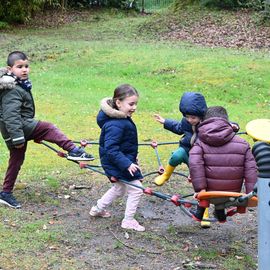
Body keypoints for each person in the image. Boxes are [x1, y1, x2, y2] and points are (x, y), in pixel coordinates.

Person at [0, 51, 94, 209]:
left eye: (26, 66)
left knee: (16, 160)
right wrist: (18, 138)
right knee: (47, 128)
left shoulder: (19, 84)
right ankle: (73, 150)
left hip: (15, 130)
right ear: (10, 69)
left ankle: (5, 193)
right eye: (19, 67)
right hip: (17, 129)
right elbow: (11, 116)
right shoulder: (12, 89)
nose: (24, 70)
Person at [89, 84, 145, 232]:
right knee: (137, 189)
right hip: (117, 163)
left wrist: (131, 159)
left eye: (135, 104)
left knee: (119, 188)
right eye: (131, 104)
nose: (134, 107)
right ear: (118, 103)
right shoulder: (116, 124)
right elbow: (111, 149)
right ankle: (128, 220)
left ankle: (97, 208)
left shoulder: (119, 118)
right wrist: (127, 164)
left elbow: (123, 145)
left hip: (118, 161)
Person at [189, 106, 257, 223]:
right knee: (221, 200)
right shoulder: (243, 144)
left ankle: (201, 212)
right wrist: (250, 195)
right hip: (232, 194)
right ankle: (221, 215)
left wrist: (200, 189)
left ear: (205, 121)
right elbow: (251, 170)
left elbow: (195, 165)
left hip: (208, 194)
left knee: (211, 195)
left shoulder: (199, 143)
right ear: (226, 120)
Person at [153, 92, 207, 186]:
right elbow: (179, 128)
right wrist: (165, 122)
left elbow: (221, 124)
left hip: (200, 155)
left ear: (201, 115)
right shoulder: (186, 121)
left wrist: (233, 126)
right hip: (186, 150)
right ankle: (166, 175)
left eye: (193, 118)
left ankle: (200, 192)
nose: (190, 120)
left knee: (198, 176)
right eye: (187, 117)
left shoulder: (208, 123)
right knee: (177, 155)